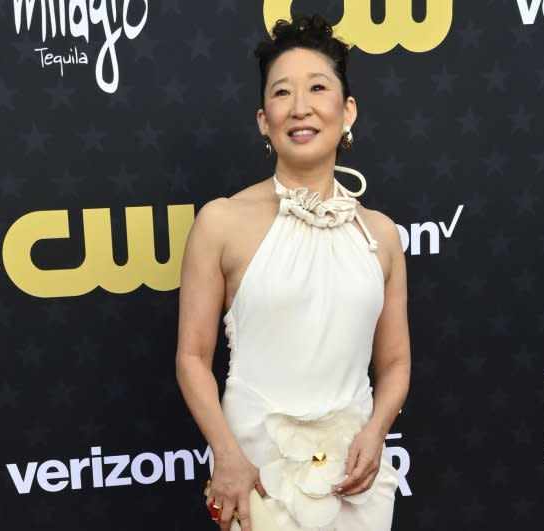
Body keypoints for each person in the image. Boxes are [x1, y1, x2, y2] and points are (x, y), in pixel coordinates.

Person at [176, 14, 411, 531]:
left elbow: (394, 362)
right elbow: (192, 357)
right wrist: (227, 455)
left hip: (355, 478)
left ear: (347, 110)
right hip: (256, 476)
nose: (300, 107)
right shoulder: (221, 222)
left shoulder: (382, 235)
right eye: (282, 93)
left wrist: (375, 434)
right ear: (264, 119)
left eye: (318, 88)